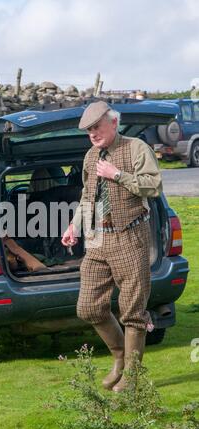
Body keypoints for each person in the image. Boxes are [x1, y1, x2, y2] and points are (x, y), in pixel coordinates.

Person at [61, 101, 162, 392]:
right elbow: (87, 198)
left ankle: (131, 375)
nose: (93, 134)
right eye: (89, 130)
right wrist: (74, 226)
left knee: (132, 310)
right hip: (97, 239)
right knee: (89, 307)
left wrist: (117, 174)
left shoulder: (136, 148)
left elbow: (153, 186)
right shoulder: (91, 157)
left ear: (113, 122)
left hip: (131, 236)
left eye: (97, 127)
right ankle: (119, 357)